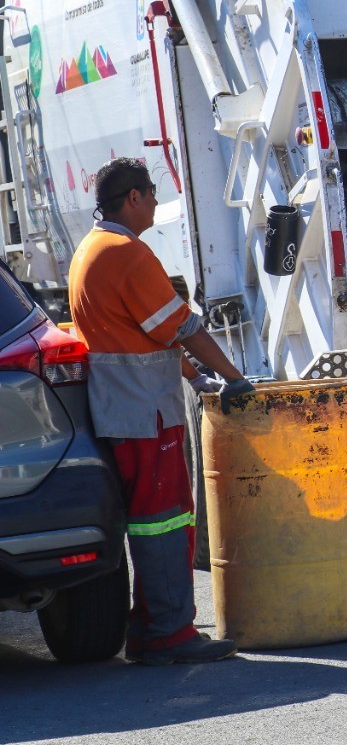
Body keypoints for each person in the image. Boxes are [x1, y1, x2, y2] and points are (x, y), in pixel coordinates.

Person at [68, 157, 256, 663]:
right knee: (163, 519)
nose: (154, 201)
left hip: (124, 408)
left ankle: (151, 627)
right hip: (144, 413)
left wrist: (196, 377)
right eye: (150, 192)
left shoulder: (92, 248)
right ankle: (170, 634)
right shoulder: (127, 253)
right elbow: (182, 328)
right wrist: (237, 380)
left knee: (155, 519)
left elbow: (143, 332)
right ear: (132, 198)